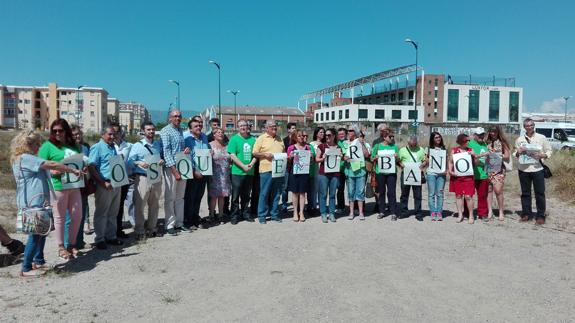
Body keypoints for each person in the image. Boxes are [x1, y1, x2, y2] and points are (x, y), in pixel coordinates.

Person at [11, 131, 81, 277]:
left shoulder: (25, 158)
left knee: (42, 232)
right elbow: (51, 164)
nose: (39, 147)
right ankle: (26, 268)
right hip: (32, 202)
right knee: (35, 234)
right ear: (28, 144)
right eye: (36, 144)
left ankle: (38, 260)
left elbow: (42, 172)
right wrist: (71, 169)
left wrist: (53, 172)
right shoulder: (26, 158)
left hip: (38, 201)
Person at [38, 118, 83, 260]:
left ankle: (71, 244)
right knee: (59, 218)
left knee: (77, 216)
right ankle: (60, 247)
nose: (57, 133)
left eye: (60, 130)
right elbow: (40, 165)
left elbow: (78, 163)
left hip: (74, 185)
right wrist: (52, 172)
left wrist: (82, 168)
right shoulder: (47, 146)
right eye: (54, 130)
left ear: (66, 131)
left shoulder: (74, 145)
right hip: (58, 186)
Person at [88, 126, 125, 249]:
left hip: (116, 184)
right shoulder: (97, 147)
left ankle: (111, 236)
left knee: (113, 213)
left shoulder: (113, 147)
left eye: (113, 134)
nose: (112, 137)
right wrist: (102, 183)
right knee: (102, 213)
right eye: (109, 134)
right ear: (103, 135)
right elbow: (91, 167)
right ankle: (100, 239)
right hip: (104, 185)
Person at [128, 122, 164, 240]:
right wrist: (139, 163)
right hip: (142, 177)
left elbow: (160, 157)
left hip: (156, 176)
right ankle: (139, 230)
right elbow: (129, 161)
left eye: (153, 129)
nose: (151, 132)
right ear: (143, 131)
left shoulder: (158, 144)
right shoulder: (137, 146)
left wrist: (161, 161)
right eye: (148, 130)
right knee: (140, 205)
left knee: (155, 204)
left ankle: (152, 228)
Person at [514, 118, 552, 225]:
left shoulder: (541, 137)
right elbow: (515, 154)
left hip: (537, 169)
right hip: (523, 169)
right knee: (525, 193)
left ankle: (540, 216)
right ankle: (526, 214)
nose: (529, 127)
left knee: (539, 193)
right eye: (527, 125)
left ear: (534, 125)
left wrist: (542, 155)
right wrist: (518, 152)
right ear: (524, 127)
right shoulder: (519, 139)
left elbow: (549, 151)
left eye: (531, 125)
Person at [160, 109, 190, 236]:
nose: (178, 118)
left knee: (180, 198)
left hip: (182, 166)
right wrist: (174, 171)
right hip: (171, 168)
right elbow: (166, 152)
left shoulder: (180, 130)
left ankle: (179, 222)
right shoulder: (165, 131)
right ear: (170, 118)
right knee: (170, 197)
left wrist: (186, 150)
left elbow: (178, 149)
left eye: (179, 116)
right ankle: (170, 224)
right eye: (175, 116)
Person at [253, 120, 285, 224]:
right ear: (266, 128)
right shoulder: (261, 138)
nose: (274, 128)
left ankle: (274, 214)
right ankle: (262, 215)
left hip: (279, 170)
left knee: (276, 194)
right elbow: (254, 153)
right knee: (264, 193)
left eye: (275, 126)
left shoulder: (280, 139)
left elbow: (283, 152)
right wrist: (265, 155)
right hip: (266, 170)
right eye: (272, 126)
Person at [228, 120, 257, 225]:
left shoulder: (253, 139)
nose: (243, 127)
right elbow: (232, 155)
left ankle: (245, 214)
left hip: (249, 172)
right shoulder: (234, 139)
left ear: (248, 126)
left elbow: (255, 155)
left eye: (244, 125)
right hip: (237, 172)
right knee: (235, 196)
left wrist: (251, 165)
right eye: (240, 126)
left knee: (246, 195)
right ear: (237, 127)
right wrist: (243, 166)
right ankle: (234, 215)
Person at [183, 118, 209, 229]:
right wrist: (194, 171)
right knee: (190, 198)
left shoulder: (204, 137)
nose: (198, 127)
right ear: (190, 128)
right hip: (192, 173)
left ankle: (195, 218)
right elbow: (186, 157)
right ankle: (188, 221)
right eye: (195, 126)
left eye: (199, 125)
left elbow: (205, 153)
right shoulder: (186, 139)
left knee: (199, 197)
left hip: (204, 172)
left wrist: (210, 152)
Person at [110, 123, 133, 239]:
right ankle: (109, 231)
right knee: (111, 206)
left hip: (124, 180)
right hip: (111, 180)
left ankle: (118, 229)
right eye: (112, 133)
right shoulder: (108, 146)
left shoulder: (129, 145)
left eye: (117, 132)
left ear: (120, 133)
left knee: (119, 206)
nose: (114, 135)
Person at [371, 129, 399, 220]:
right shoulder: (377, 146)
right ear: (384, 137)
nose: (392, 138)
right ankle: (382, 211)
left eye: (393, 137)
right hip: (380, 173)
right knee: (381, 192)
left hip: (391, 173)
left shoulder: (394, 147)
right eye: (390, 137)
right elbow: (371, 158)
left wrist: (396, 157)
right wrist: (375, 157)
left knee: (392, 192)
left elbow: (398, 161)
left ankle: (393, 212)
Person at [448, 133, 477, 224]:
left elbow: (476, 163)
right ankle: (460, 214)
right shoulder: (454, 150)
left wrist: (474, 155)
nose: (468, 142)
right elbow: (450, 162)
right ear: (461, 141)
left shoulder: (470, 150)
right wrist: (450, 171)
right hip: (457, 177)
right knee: (458, 195)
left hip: (468, 177)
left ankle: (471, 215)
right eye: (466, 140)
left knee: (468, 196)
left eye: (469, 140)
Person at [342, 127, 370, 220]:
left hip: (361, 171)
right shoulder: (345, 143)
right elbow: (343, 156)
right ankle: (351, 212)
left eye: (351, 130)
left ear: (356, 133)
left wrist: (361, 143)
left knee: (360, 192)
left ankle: (361, 212)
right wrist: (344, 157)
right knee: (350, 192)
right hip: (350, 171)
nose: (348, 132)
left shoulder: (363, 143)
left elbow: (366, 155)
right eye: (348, 130)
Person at [398, 135, 427, 221]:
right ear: (408, 142)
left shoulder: (421, 149)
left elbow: (425, 160)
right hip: (405, 174)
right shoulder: (402, 150)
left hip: (417, 174)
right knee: (404, 194)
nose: (414, 145)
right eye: (412, 144)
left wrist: (424, 164)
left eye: (415, 143)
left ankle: (418, 213)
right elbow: (398, 160)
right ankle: (404, 212)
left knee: (417, 195)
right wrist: (400, 164)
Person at [315, 128, 341, 223]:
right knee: (323, 194)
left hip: (334, 174)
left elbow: (339, 160)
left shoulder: (338, 147)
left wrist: (341, 157)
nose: (327, 137)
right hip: (323, 174)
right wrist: (323, 158)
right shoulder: (322, 146)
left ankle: (332, 213)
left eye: (329, 135)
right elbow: (317, 159)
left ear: (334, 136)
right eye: (326, 135)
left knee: (333, 194)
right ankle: (323, 213)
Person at [465, 127, 491, 221]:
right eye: (479, 134)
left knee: (483, 195)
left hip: (483, 174)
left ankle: (483, 213)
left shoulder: (485, 144)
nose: (481, 136)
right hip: (470, 174)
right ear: (474, 135)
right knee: (468, 195)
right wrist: (480, 156)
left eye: (482, 134)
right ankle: (467, 212)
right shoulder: (469, 144)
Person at [287, 130, 312, 222]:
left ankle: (301, 212)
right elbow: (288, 162)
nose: (301, 137)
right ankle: (295, 212)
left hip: (304, 173)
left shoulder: (308, 147)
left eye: (302, 136)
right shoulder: (291, 148)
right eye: (299, 136)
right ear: (295, 137)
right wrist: (290, 157)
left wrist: (311, 157)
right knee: (294, 193)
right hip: (294, 173)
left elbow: (311, 162)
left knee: (302, 193)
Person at [486, 126, 511, 221]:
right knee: (489, 190)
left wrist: (497, 155)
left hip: (499, 169)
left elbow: (507, 156)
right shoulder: (486, 142)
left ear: (498, 132)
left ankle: (501, 211)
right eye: (491, 131)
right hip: (488, 169)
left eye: (495, 132)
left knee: (498, 190)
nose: (493, 133)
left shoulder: (502, 143)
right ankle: (490, 211)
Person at [208, 127, 231, 224]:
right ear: (214, 135)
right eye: (218, 132)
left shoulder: (226, 145)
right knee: (213, 196)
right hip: (214, 174)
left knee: (222, 195)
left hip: (225, 174)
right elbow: (205, 158)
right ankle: (212, 215)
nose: (221, 134)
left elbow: (230, 158)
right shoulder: (209, 145)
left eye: (222, 132)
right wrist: (209, 155)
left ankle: (221, 215)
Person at [426, 132, 447, 221]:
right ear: (432, 139)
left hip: (441, 174)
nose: (438, 139)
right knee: (431, 194)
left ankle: (439, 212)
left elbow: (446, 161)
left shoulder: (444, 148)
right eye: (436, 137)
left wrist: (446, 170)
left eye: (439, 137)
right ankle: (432, 212)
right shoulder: (428, 149)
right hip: (431, 174)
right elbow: (426, 161)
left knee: (440, 194)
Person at [372, 123, 392, 213]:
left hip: (389, 169)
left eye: (386, 130)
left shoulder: (391, 139)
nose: (384, 132)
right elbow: (373, 155)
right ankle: (379, 204)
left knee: (389, 190)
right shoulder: (376, 142)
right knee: (378, 188)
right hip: (378, 168)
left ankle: (388, 205)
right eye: (382, 130)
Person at [307, 127, 325, 214]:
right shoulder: (311, 144)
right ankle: (313, 206)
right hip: (314, 168)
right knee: (313, 189)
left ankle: (320, 206)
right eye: (320, 132)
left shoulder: (325, 144)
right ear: (316, 133)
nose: (322, 134)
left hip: (323, 168)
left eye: (323, 132)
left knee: (322, 189)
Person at [281, 122, 297, 213]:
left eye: (295, 128)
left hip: (296, 166)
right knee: (285, 187)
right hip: (287, 166)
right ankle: (284, 204)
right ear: (288, 130)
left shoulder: (298, 140)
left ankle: (297, 204)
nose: (294, 129)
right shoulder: (284, 140)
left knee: (295, 186)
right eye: (292, 128)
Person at [336, 128, 348, 212]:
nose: (341, 135)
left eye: (342, 134)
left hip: (349, 168)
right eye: (339, 134)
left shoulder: (349, 142)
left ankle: (355, 207)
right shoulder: (336, 143)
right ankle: (341, 206)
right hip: (340, 169)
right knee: (340, 189)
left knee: (352, 189)